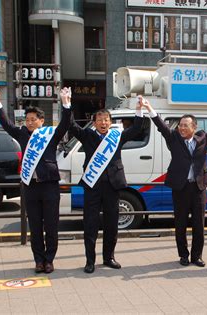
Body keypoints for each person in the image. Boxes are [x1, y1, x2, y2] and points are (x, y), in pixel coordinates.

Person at [140, 96, 207, 267]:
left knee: (199, 224)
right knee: (180, 223)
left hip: (198, 188)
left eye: (186, 125)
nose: (182, 128)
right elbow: (161, 126)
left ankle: (196, 256)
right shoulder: (173, 138)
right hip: (180, 187)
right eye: (180, 125)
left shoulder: (203, 139)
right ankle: (183, 255)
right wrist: (149, 108)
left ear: (194, 127)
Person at [0, 88, 71, 273]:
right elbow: (6, 124)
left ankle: (49, 260)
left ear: (42, 121)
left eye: (33, 120)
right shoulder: (22, 134)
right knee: (34, 226)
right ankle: (38, 261)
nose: (30, 122)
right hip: (30, 187)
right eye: (27, 120)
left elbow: (65, 124)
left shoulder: (50, 134)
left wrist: (66, 102)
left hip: (50, 185)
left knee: (51, 226)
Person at [63, 92, 144, 274]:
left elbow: (136, 129)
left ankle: (109, 258)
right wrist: (66, 104)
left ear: (110, 121)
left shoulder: (117, 136)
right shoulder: (88, 136)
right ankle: (90, 261)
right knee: (90, 224)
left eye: (106, 119)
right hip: (92, 186)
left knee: (111, 224)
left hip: (112, 185)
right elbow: (72, 126)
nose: (103, 123)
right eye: (99, 119)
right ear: (94, 122)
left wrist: (139, 110)